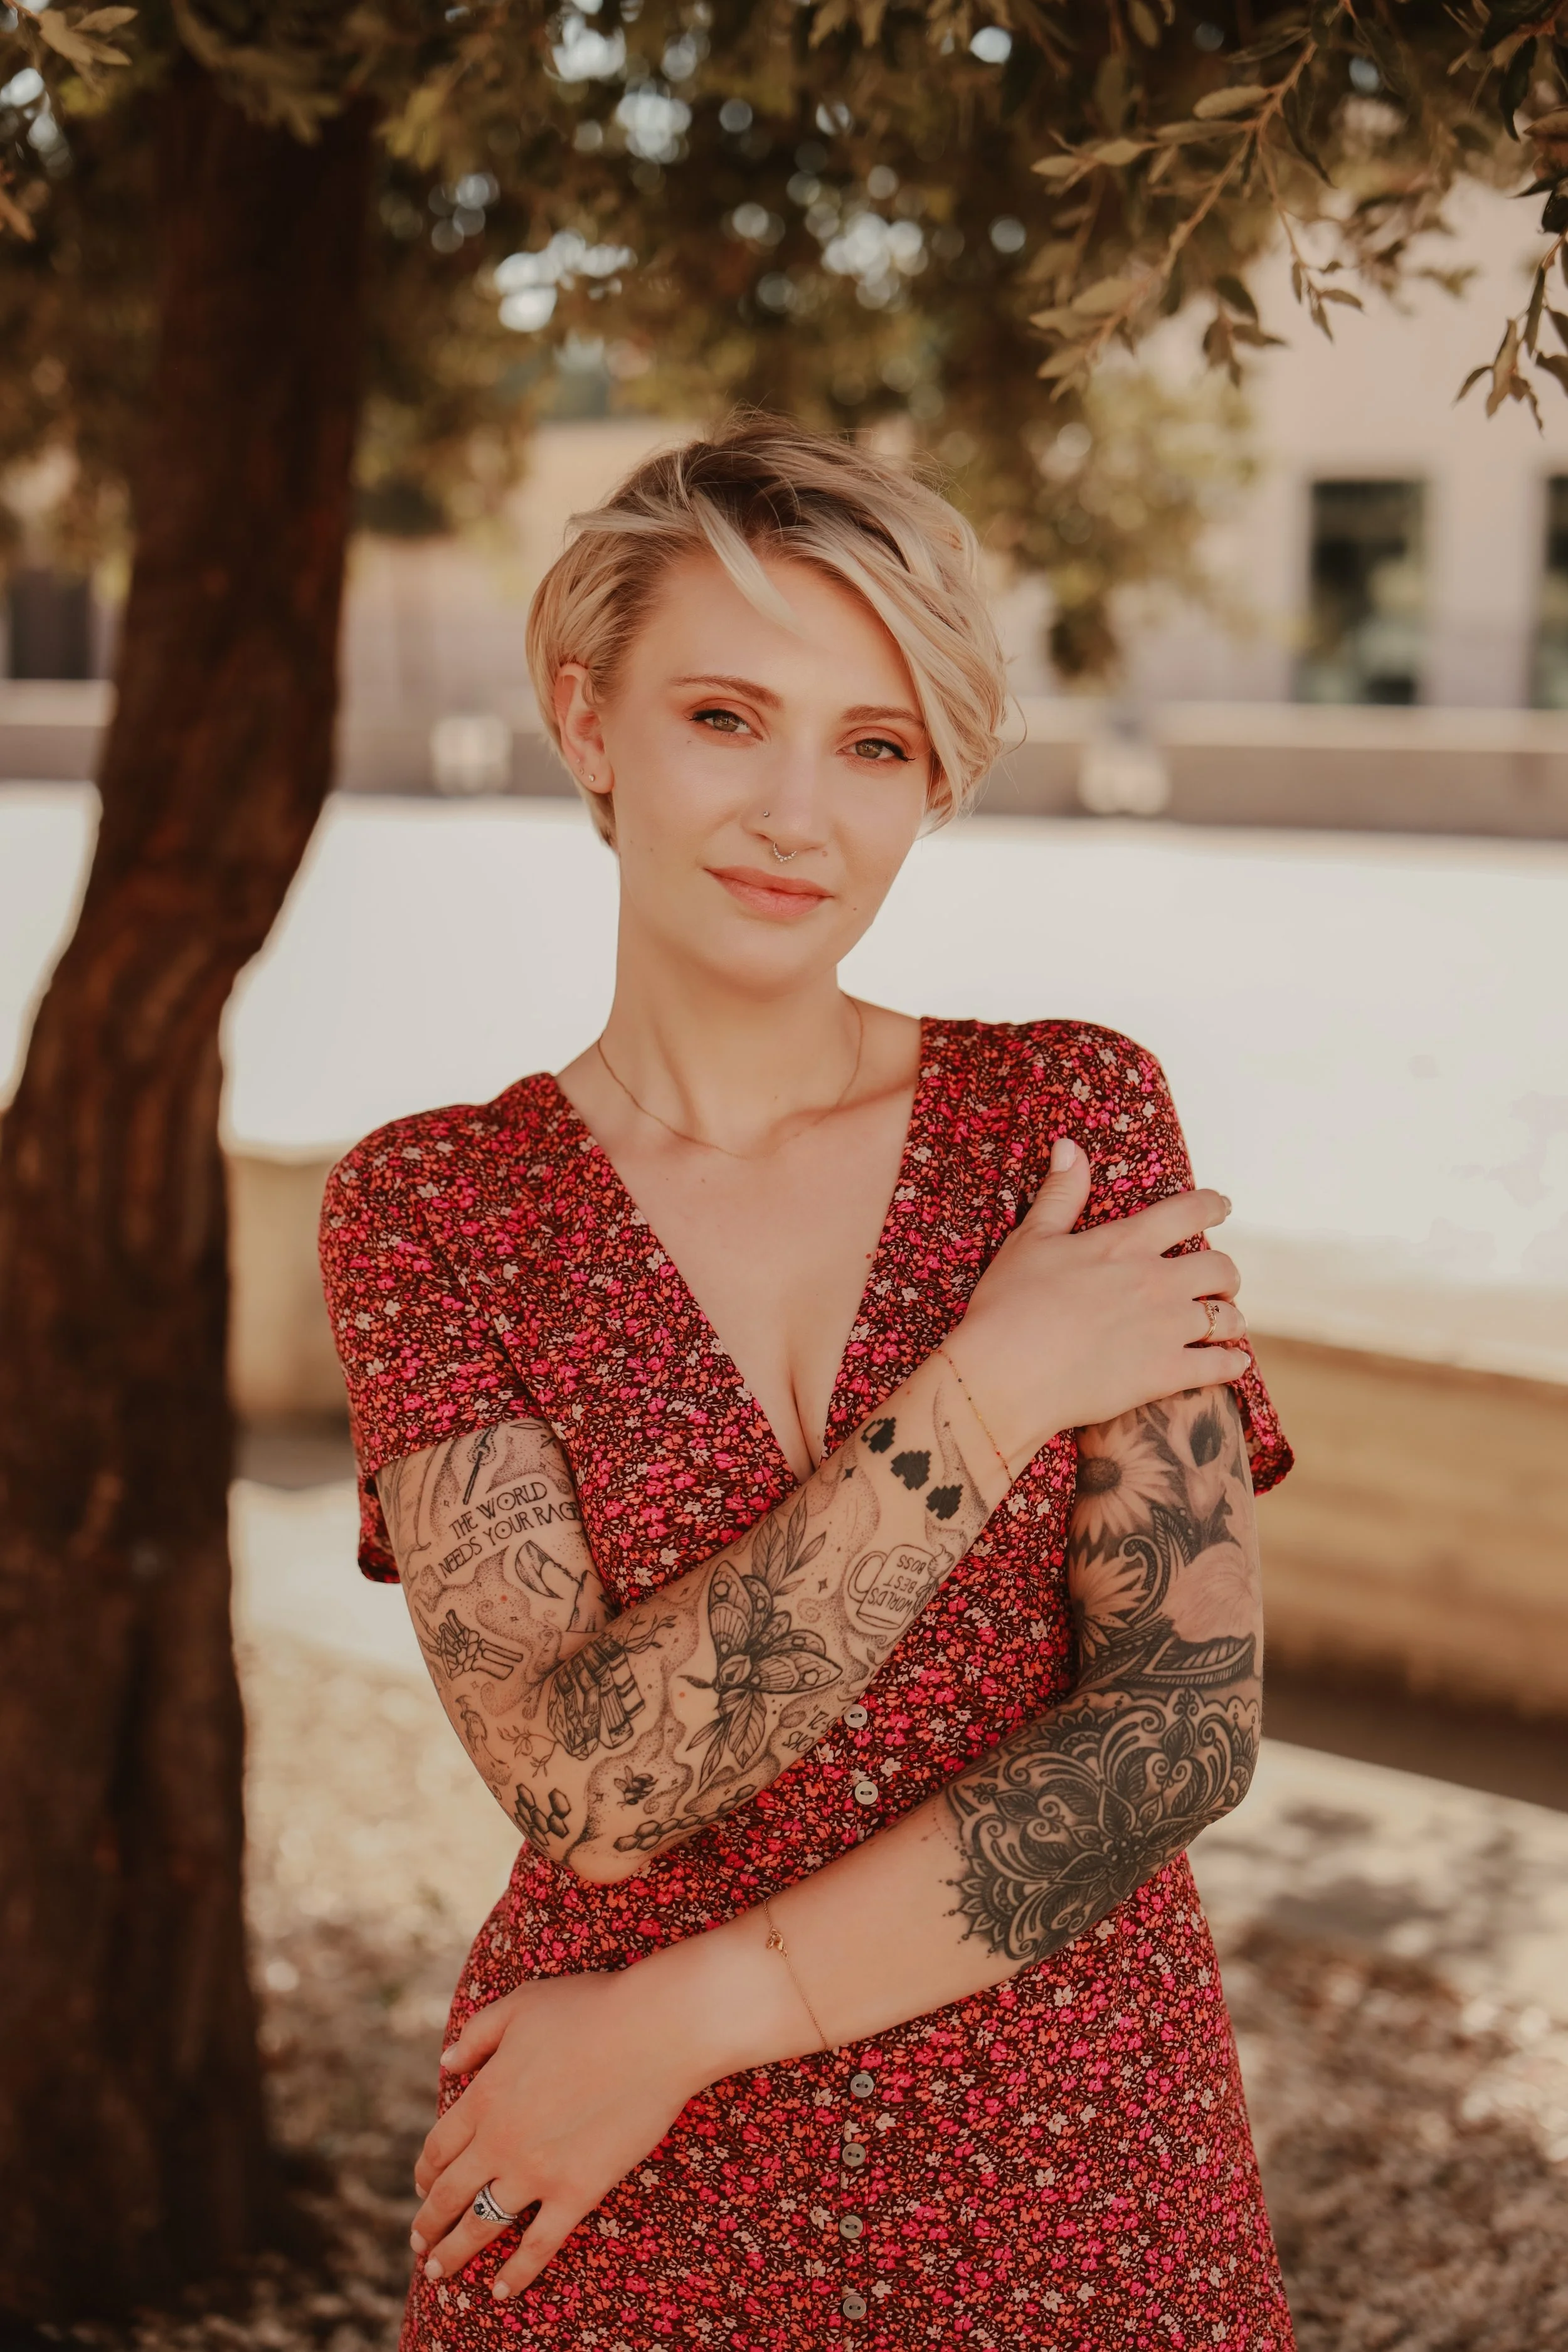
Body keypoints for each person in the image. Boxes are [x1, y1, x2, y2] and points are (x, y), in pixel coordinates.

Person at [319, 415, 1296, 2352]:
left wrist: (679, 2018)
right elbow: (587, 1780)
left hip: (1069, 2168)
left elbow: (1179, 1723)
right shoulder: (438, 1206)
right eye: (723, 717)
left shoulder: (1069, 1118)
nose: (796, 814)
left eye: (873, 745)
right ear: (586, 718)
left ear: (930, 783)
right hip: (604, 2208)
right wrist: (993, 1386)